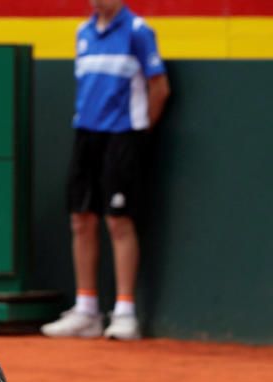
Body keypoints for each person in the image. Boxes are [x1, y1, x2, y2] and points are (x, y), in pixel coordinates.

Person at [41, 0, 169, 340]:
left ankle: (125, 312)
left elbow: (160, 89)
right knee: (81, 220)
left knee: (118, 221)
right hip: (86, 135)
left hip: (124, 136)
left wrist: (139, 135)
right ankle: (87, 310)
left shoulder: (139, 31)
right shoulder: (82, 32)